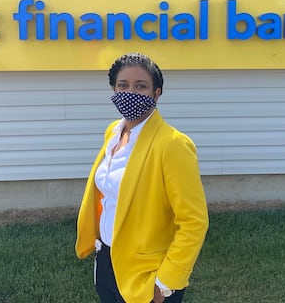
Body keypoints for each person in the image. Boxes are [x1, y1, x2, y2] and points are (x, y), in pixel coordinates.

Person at [76, 53, 209, 303]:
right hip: (107, 260)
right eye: (123, 85)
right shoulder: (113, 132)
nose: (130, 92)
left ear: (156, 93)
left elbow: (194, 221)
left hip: (147, 273)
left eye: (141, 86)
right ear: (114, 90)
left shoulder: (173, 145)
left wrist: (167, 281)